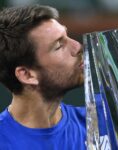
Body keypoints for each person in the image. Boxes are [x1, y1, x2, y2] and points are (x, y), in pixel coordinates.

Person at [0, 5, 86, 150]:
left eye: (67, 35)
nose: (77, 46)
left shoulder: (109, 118)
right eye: (59, 45)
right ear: (26, 75)